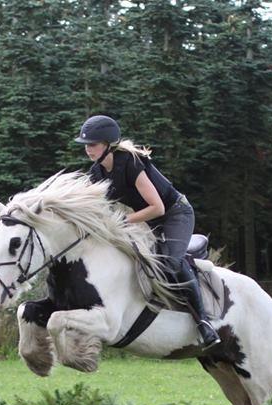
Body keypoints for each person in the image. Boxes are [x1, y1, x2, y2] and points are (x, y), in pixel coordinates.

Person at [75, 115, 220, 350]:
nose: (88, 149)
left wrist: (123, 220)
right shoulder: (97, 173)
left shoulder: (131, 162)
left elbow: (158, 207)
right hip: (149, 221)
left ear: (108, 144)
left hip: (175, 214)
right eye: (86, 145)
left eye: (93, 144)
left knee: (171, 262)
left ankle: (204, 322)